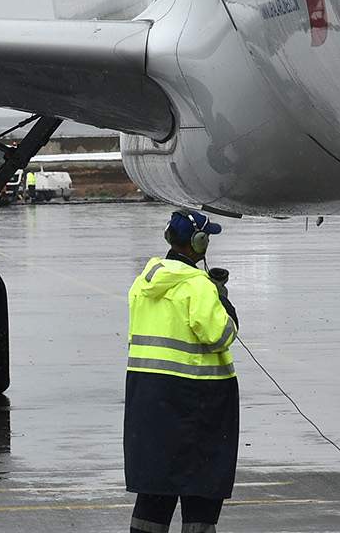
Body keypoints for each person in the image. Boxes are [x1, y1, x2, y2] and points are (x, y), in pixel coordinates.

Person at [125, 210, 240, 533]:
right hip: (199, 401)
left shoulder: (142, 283)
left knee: (156, 486)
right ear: (198, 243)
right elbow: (220, 336)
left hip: (149, 399)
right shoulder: (199, 287)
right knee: (202, 487)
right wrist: (223, 301)